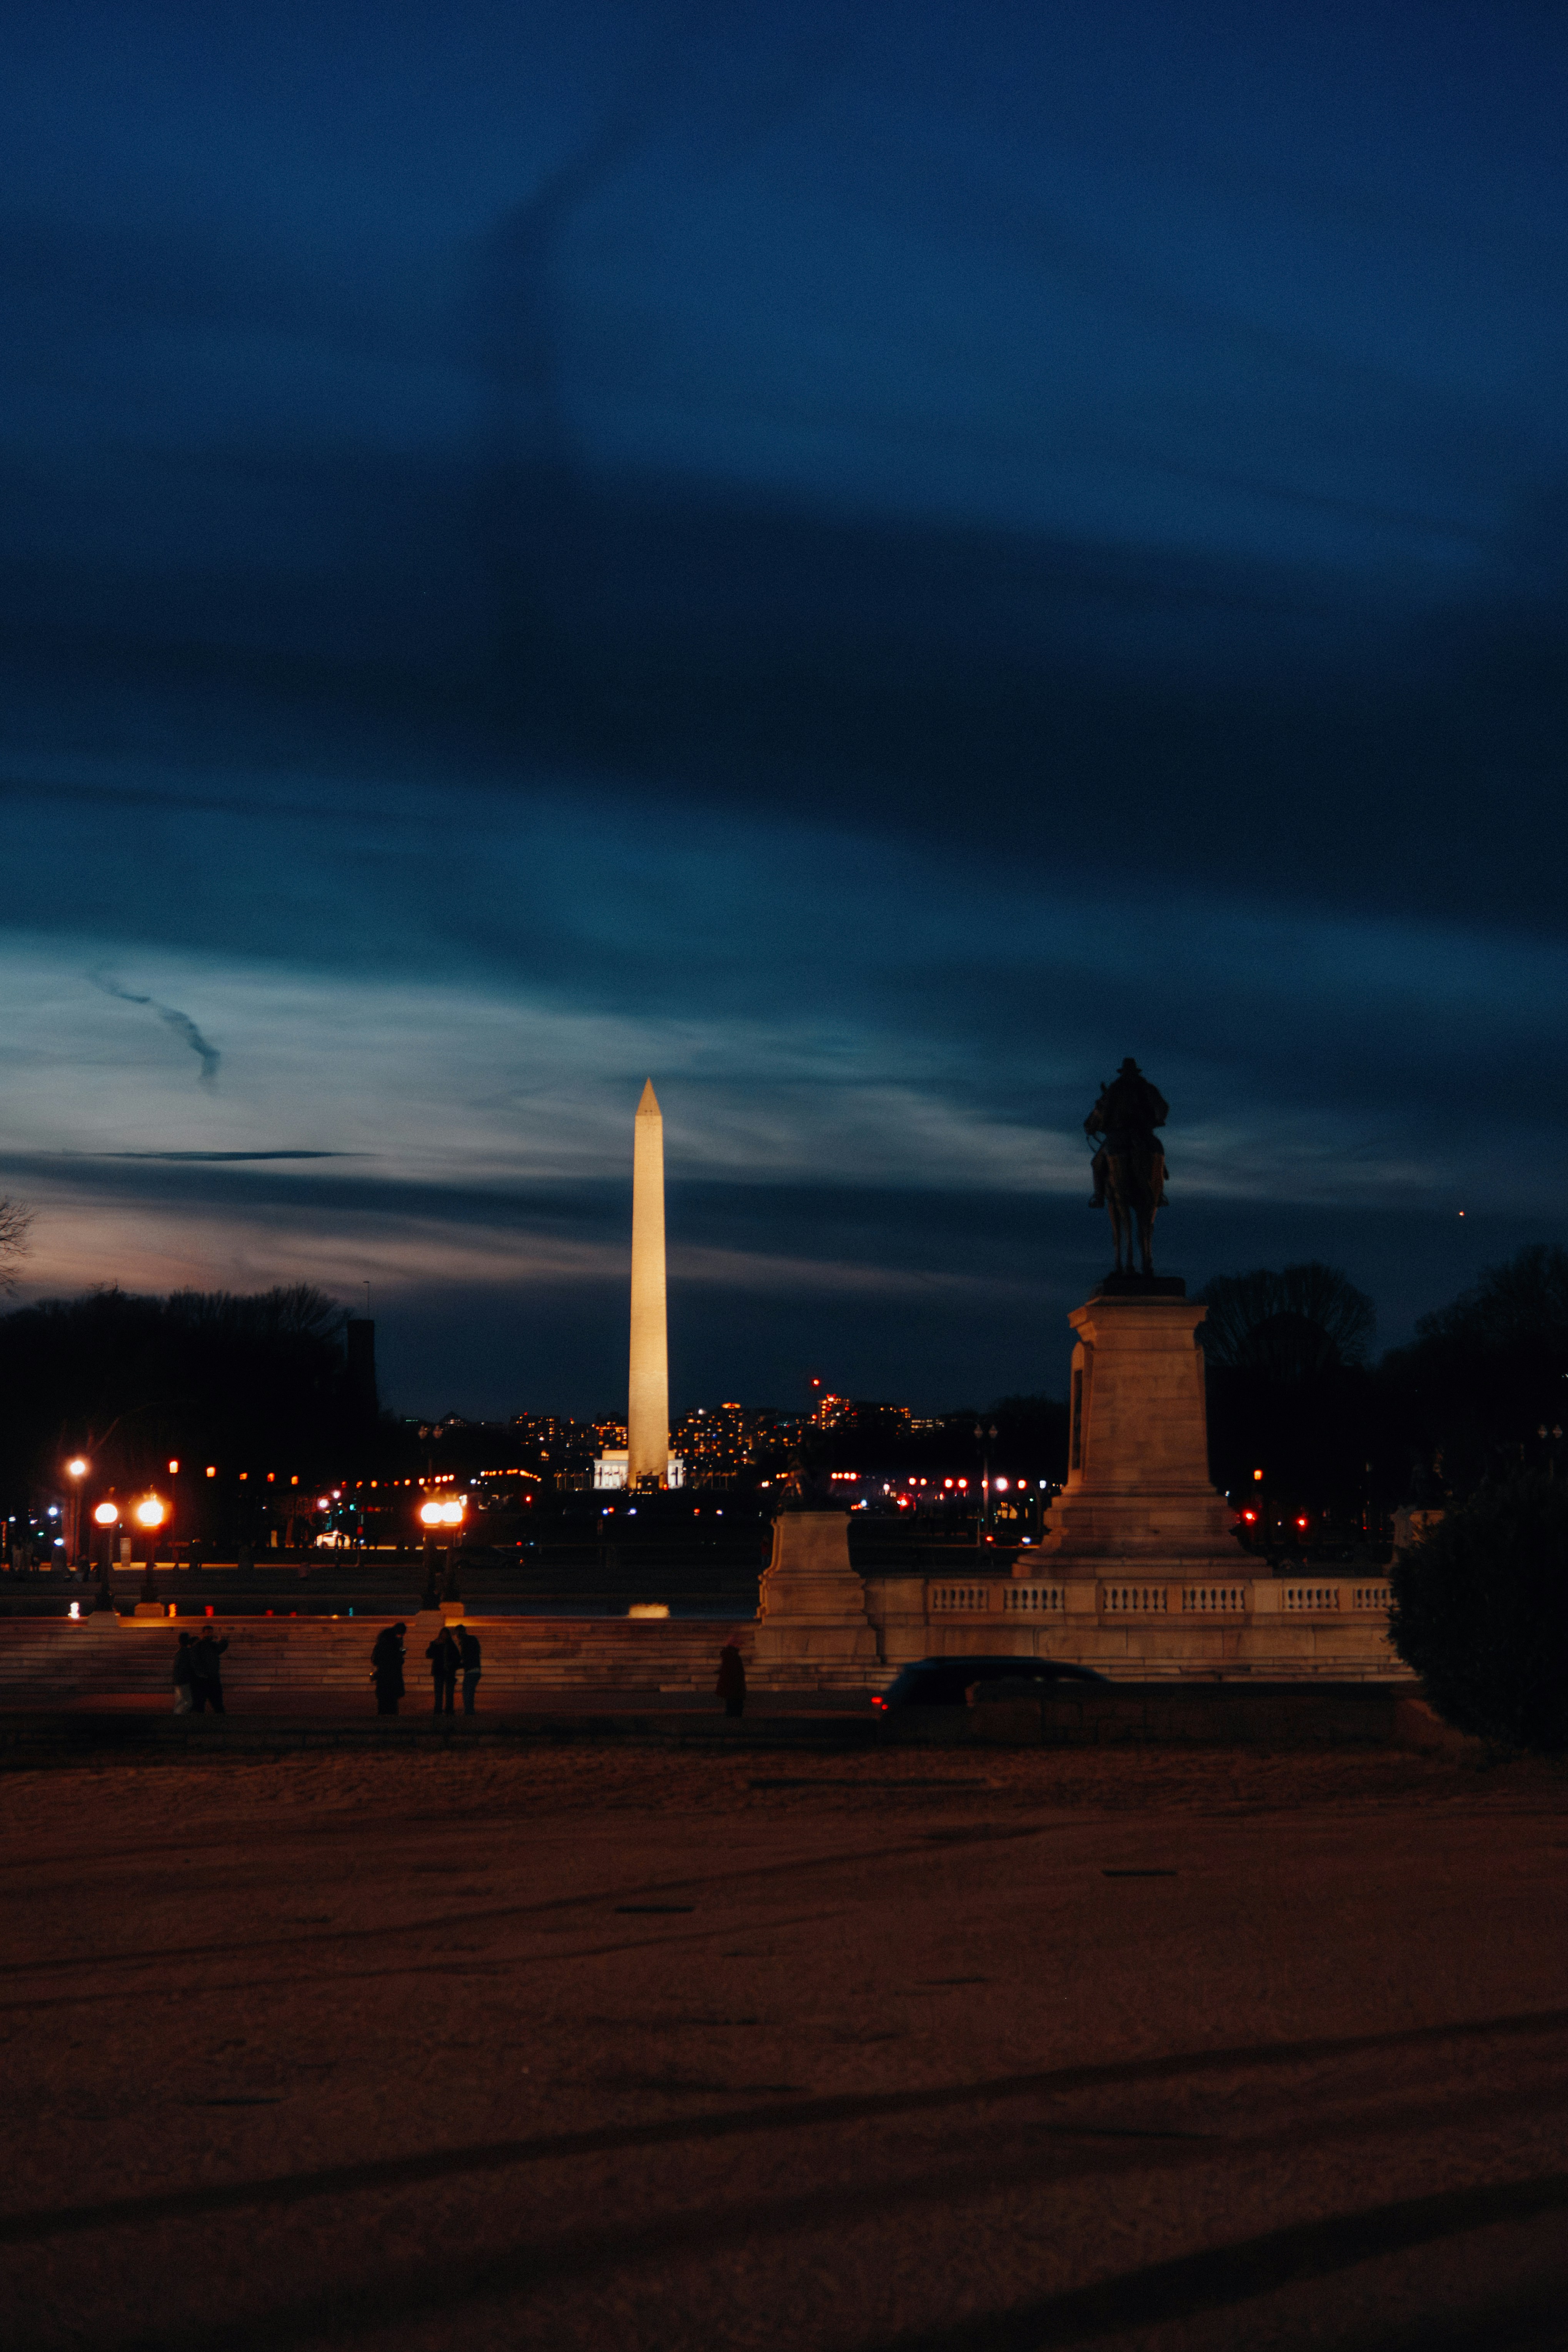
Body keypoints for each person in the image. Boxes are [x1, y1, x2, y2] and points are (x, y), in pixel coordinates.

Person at [190, 1627, 230, 1714]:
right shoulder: (200, 1645)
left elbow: (220, 1649)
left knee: (216, 1703)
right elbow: (195, 1661)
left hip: (211, 1677)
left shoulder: (211, 1645)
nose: (210, 1634)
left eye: (211, 1632)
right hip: (205, 1678)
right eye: (208, 1632)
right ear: (203, 1634)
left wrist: (222, 1641)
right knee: (203, 1703)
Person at [370, 1621, 406, 1715]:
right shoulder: (393, 1643)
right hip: (391, 1675)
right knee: (391, 1701)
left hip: (384, 1675)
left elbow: (376, 1659)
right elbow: (396, 1658)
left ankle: (384, 1717)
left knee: (384, 1701)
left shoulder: (383, 1642)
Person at [426, 1624, 460, 1714]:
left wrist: (452, 1665)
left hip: (449, 1672)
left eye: (445, 1634)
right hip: (439, 1671)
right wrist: (435, 1645)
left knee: (449, 1693)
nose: (444, 1636)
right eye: (443, 1634)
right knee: (438, 1693)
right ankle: (438, 1710)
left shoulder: (451, 1644)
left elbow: (457, 1657)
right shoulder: (436, 1643)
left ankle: (449, 1710)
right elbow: (429, 1655)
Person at [454, 1623, 482, 1716]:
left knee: (467, 1692)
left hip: (471, 1670)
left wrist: (457, 1666)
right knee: (470, 1691)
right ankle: (470, 1710)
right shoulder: (472, 1640)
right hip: (476, 1669)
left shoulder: (465, 1642)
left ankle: (469, 1712)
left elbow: (466, 1658)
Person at [716, 1638, 747, 1720]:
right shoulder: (733, 1656)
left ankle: (731, 1716)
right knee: (735, 1704)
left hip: (731, 1685)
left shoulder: (729, 1655)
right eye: (739, 1644)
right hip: (734, 1685)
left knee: (731, 1703)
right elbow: (734, 1671)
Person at [172, 1631, 195, 1715]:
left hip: (179, 1679)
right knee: (187, 1701)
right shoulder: (186, 1652)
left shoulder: (180, 1652)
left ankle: (177, 1715)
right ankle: (179, 1717)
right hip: (184, 1680)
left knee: (180, 1700)